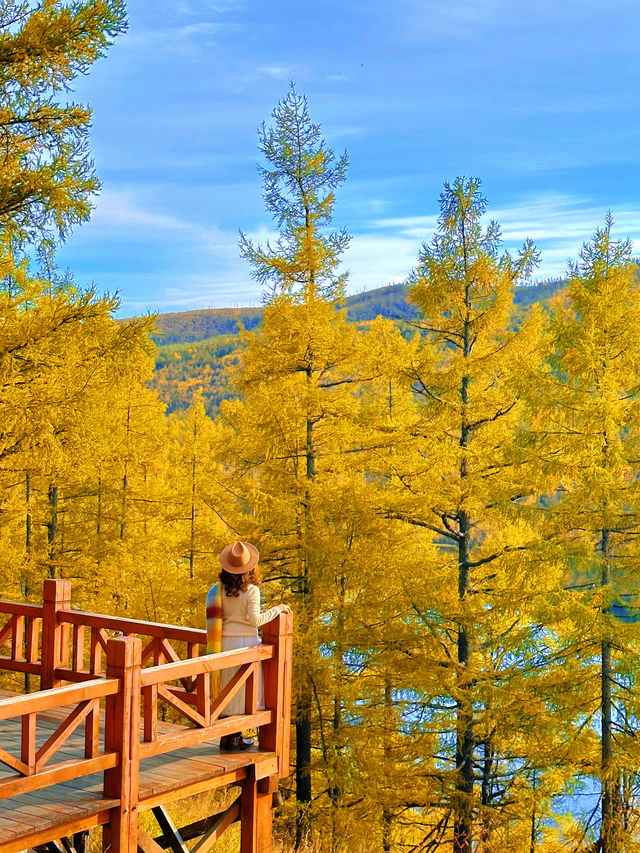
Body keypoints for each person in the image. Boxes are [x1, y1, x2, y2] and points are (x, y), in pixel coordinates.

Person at [207, 539, 291, 751]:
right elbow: (255, 621)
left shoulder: (216, 590)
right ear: (250, 568)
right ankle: (234, 738)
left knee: (226, 690)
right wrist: (278, 609)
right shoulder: (251, 591)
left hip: (223, 644)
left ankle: (227, 737)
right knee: (243, 692)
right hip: (245, 645)